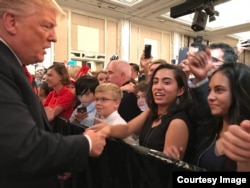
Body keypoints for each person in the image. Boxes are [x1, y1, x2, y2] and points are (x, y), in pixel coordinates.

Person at [0, 1, 106, 187]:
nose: (55, 37)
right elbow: (23, 148)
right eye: (46, 26)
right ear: (11, 22)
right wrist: (87, 143)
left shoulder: (12, 66)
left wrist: (55, 163)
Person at [90, 64, 194, 161]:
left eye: (166, 82)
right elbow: (127, 129)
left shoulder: (177, 123)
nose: (158, 87)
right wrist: (107, 129)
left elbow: (166, 167)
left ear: (180, 90)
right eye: (155, 82)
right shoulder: (152, 112)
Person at [191, 63, 250, 171]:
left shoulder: (246, 135)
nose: (210, 97)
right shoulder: (208, 130)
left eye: (219, 90)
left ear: (238, 93)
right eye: (209, 90)